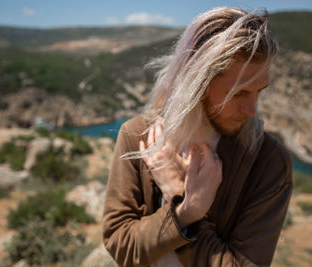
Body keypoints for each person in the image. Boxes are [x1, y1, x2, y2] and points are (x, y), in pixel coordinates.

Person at [103, 7, 293, 267]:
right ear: (196, 81)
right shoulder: (138, 136)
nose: (251, 110)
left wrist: (180, 199)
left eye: (259, 91)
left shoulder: (268, 162)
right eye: (237, 94)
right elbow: (121, 247)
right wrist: (184, 213)